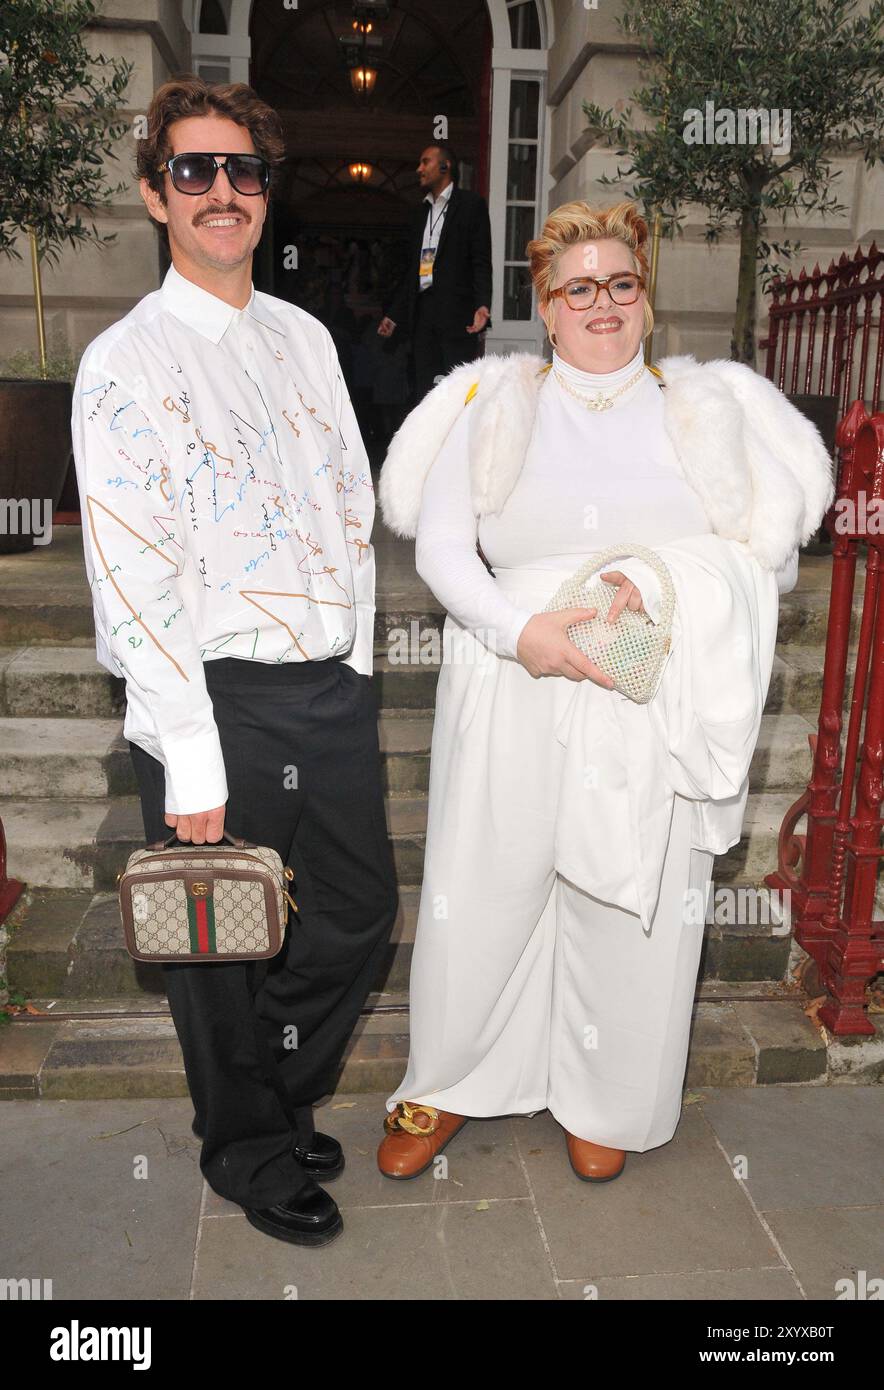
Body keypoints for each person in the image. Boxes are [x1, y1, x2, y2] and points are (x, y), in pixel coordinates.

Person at [375, 199, 834, 1183]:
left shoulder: (698, 411)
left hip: (646, 681)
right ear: (543, 303)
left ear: (646, 300)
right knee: (486, 886)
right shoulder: (494, 406)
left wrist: (662, 582)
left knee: (632, 898)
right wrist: (520, 632)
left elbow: (754, 554)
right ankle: (451, 1079)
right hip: (512, 675)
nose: (602, 302)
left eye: (620, 283)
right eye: (578, 285)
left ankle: (602, 1093)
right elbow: (446, 547)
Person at [70, 76, 398, 1245]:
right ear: (156, 194)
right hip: (216, 699)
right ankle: (249, 1147)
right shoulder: (125, 362)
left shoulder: (305, 335)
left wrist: (356, 658)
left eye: (243, 171)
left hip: (327, 686)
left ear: (265, 193)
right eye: (195, 171)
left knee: (356, 917)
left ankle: (265, 1093)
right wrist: (190, 750)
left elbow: (347, 500)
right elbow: (131, 570)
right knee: (216, 945)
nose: (223, 191)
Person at [377, 144, 492, 403]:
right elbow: (413, 270)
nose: (419, 169)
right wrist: (394, 314)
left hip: (456, 314)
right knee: (424, 390)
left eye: (425, 162)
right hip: (423, 315)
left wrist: (482, 303)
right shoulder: (419, 213)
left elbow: (481, 259)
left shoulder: (471, 205)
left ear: (445, 166)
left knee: (458, 388)